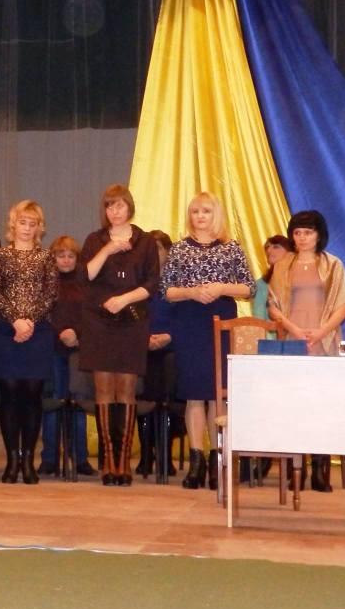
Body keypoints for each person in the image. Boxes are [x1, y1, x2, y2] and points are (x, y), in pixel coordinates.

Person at [160, 192, 255, 491]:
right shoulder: (179, 249)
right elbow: (167, 290)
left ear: (216, 215)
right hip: (189, 322)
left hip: (220, 321)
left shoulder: (231, 248)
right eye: (195, 211)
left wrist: (221, 288)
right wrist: (191, 292)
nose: (200, 216)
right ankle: (196, 461)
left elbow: (248, 288)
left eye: (206, 211)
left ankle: (217, 461)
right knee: (193, 394)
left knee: (217, 394)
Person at [267, 210, 345, 492]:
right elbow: (273, 307)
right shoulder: (283, 265)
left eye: (308, 232)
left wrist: (320, 332)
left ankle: (320, 469)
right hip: (293, 341)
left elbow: (344, 306)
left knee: (322, 406)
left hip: (323, 342)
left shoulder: (333, 265)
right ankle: (297, 467)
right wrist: (294, 330)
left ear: (319, 235)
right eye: (297, 233)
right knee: (293, 406)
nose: (302, 238)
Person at [78, 185, 159, 486]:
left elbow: (152, 283)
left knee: (125, 389)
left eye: (120, 205)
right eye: (110, 206)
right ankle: (108, 461)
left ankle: (123, 462)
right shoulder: (95, 240)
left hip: (132, 321)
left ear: (130, 207)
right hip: (98, 322)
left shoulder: (145, 241)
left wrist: (124, 299)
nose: (115, 211)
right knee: (103, 390)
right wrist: (108, 250)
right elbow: (85, 275)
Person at [0, 200, 58, 485]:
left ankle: (28, 460)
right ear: (13, 224)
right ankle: (12, 461)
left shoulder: (46, 256)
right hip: (6, 331)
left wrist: (28, 322)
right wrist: (15, 321)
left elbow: (50, 294)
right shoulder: (0, 255)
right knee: (9, 394)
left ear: (39, 227)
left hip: (38, 332)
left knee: (32, 394)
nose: (27, 228)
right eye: (22, 222)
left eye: (33, 223)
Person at [40, 235, 95, 478]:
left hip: (79, 350)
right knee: (54, 402)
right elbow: (42, 313)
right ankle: (49, 458)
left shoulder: (86, 283)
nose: (65, 260)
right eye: (60, 255)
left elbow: (91, 314)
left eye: (70, 256)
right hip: (52, 348)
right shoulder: (45, 282)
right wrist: (61, 332)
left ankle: (80, 458)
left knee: (79, 403)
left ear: (77, 258)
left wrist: (77, 333)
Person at [137, 230, 178, 479]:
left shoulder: (179, 282)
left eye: (159, 248)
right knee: (143, 394)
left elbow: (185, 318)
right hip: (143, 346)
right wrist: (144, 338)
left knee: (168, 392)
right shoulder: (139, 282)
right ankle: (145, 454)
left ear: (168, 252)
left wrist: (169, 336)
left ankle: (165, 453)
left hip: (172, 346)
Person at [252, 235, 293, 320]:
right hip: (272, 328)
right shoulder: (261, 284)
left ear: (290, 251)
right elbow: (259, 318)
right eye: (267, 247)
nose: (269, 250)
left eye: (276, 247)